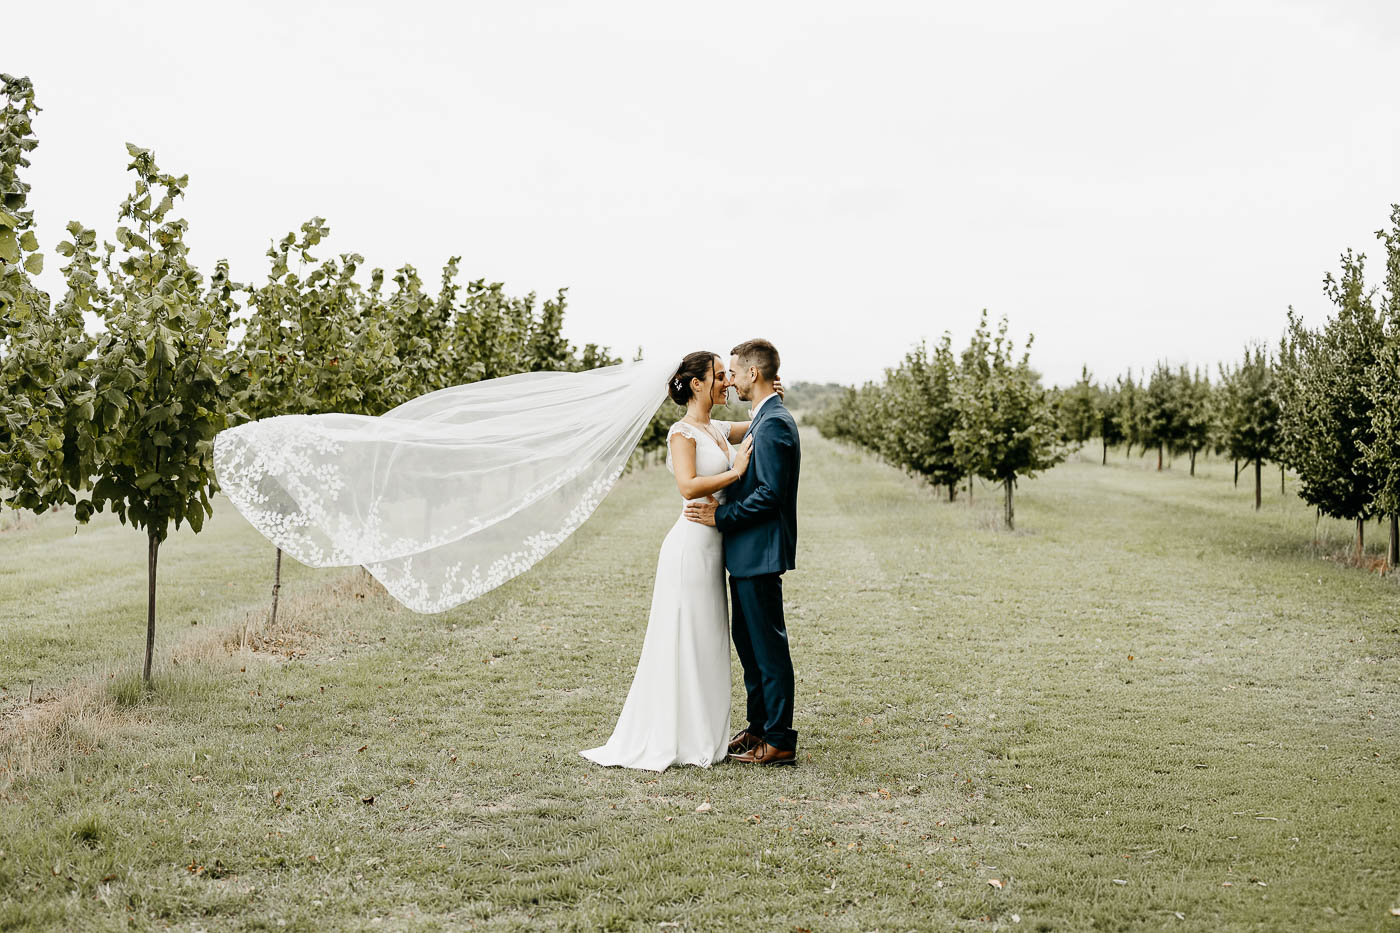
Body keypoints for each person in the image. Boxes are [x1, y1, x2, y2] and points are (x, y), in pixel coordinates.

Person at [581, 351, 755, 770]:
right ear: (696, 384)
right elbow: (688, 485)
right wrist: (736, 472)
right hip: (689, 548)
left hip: (713, 548)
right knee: (685, 638)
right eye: (718, 377)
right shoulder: (682, 433)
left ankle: (703, 734)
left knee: (707, 639)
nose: (726, 383)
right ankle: (676, 737)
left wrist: (770, 395)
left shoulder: (714, 427)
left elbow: (760, 424)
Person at [684, 339, 801, 767]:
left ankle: (779, 740)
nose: (729, 379)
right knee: (749, 644)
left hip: (760, 551)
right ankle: (757, 727)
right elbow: (726, 435)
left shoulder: (774, 424)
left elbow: (770, 493)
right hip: (746, 553)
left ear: (753, 374)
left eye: (733, 371)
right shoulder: (763, 417)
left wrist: (722, 516)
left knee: (768, 649)